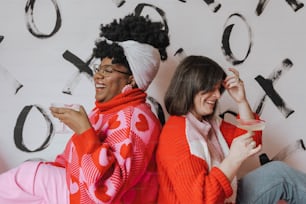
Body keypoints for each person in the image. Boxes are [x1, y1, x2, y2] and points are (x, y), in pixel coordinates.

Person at [0, 13, 169, 204]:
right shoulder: (108, 111)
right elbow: (70, 163)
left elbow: (109, 189)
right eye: (99, 69)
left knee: (31, 175)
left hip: (89, 199)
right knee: (30, 180)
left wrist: (84, 131)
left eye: (108, 71)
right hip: (78, 193)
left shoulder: (135, 120)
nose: (97, 76)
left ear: (131, 78)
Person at [156, 55, 306, 204]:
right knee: (279, 175)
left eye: (217, 89)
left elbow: (252, 142)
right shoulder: (178, 135)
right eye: (210, 88)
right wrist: (233, 159)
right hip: (212, 200)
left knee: (278, 173)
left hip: (225, 198)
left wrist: (241, 101)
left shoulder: (206, 123)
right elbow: (200, 201)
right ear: (190, 87)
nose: (216, 95)